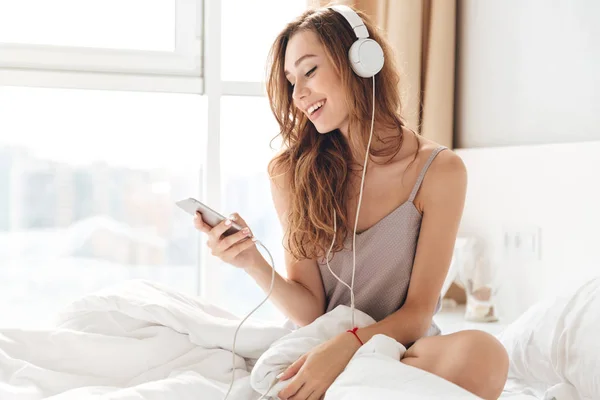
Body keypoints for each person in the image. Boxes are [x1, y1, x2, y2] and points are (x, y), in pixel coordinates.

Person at [194, 5, 509, 400]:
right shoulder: (291, 173)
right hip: (319, 345)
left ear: (362, 61)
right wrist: (251, 262)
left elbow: (417, 314)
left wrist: (348, 347)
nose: (299, 95)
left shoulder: (439, 172)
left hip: (397, 348)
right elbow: (311, 311)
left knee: (485, 356)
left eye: (309, 71)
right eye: (291, 82)